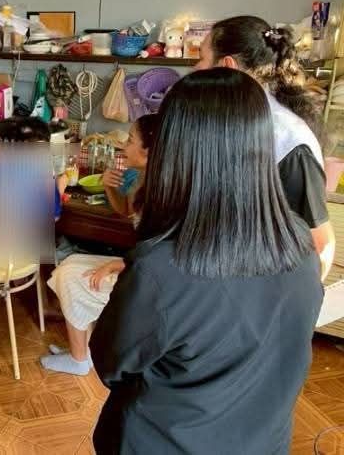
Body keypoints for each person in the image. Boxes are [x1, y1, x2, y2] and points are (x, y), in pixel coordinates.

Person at [89, 69, 323, 454]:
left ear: (177, 151)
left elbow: (111, 364)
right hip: (263, 443)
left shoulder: (162, 270)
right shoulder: (298, 242)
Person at [196, 15, 335, 279]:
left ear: (228, 66)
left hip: (262, 287)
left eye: (201, 58)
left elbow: (321, 245)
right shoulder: (231, 121)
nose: (195, 68)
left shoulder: (288, 140)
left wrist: (291, 303)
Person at [41, 114, 159, 376]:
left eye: (130, 140)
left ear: (148, 152)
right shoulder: (143, 179)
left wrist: (118, 264)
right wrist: (109, 187)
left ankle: (79, 360)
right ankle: (83, 351)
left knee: (69, 277)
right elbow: (127, 213)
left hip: (148, 279)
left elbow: (161, 252)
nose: (123, 147)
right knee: (69, 263)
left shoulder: (163, 191)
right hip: (138, 265)